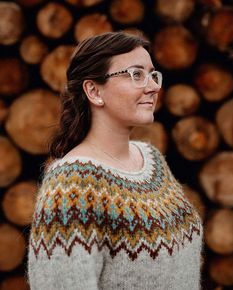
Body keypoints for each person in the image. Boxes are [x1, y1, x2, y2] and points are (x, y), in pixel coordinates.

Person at [28, 31, 203, 290]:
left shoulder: (151, 160)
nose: (153, 86)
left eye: (153, 75)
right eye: (136, 74)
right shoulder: (71, 185)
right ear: (94, 91)